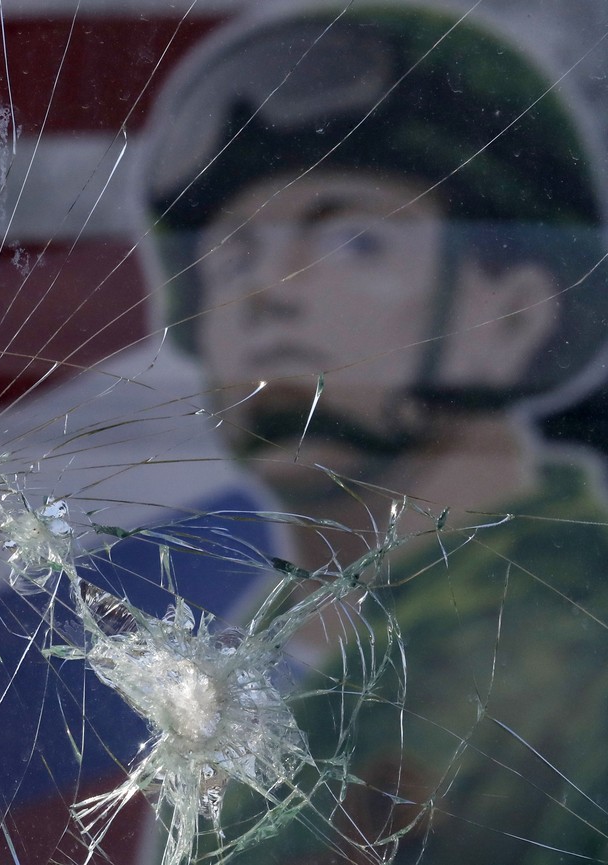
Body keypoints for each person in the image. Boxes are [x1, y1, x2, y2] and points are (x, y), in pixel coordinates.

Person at [140, 3, 608, 862]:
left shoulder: (581, 629)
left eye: (353, 241)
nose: (264, 294)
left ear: (513, 315)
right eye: (233, 255)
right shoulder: (250, 669)